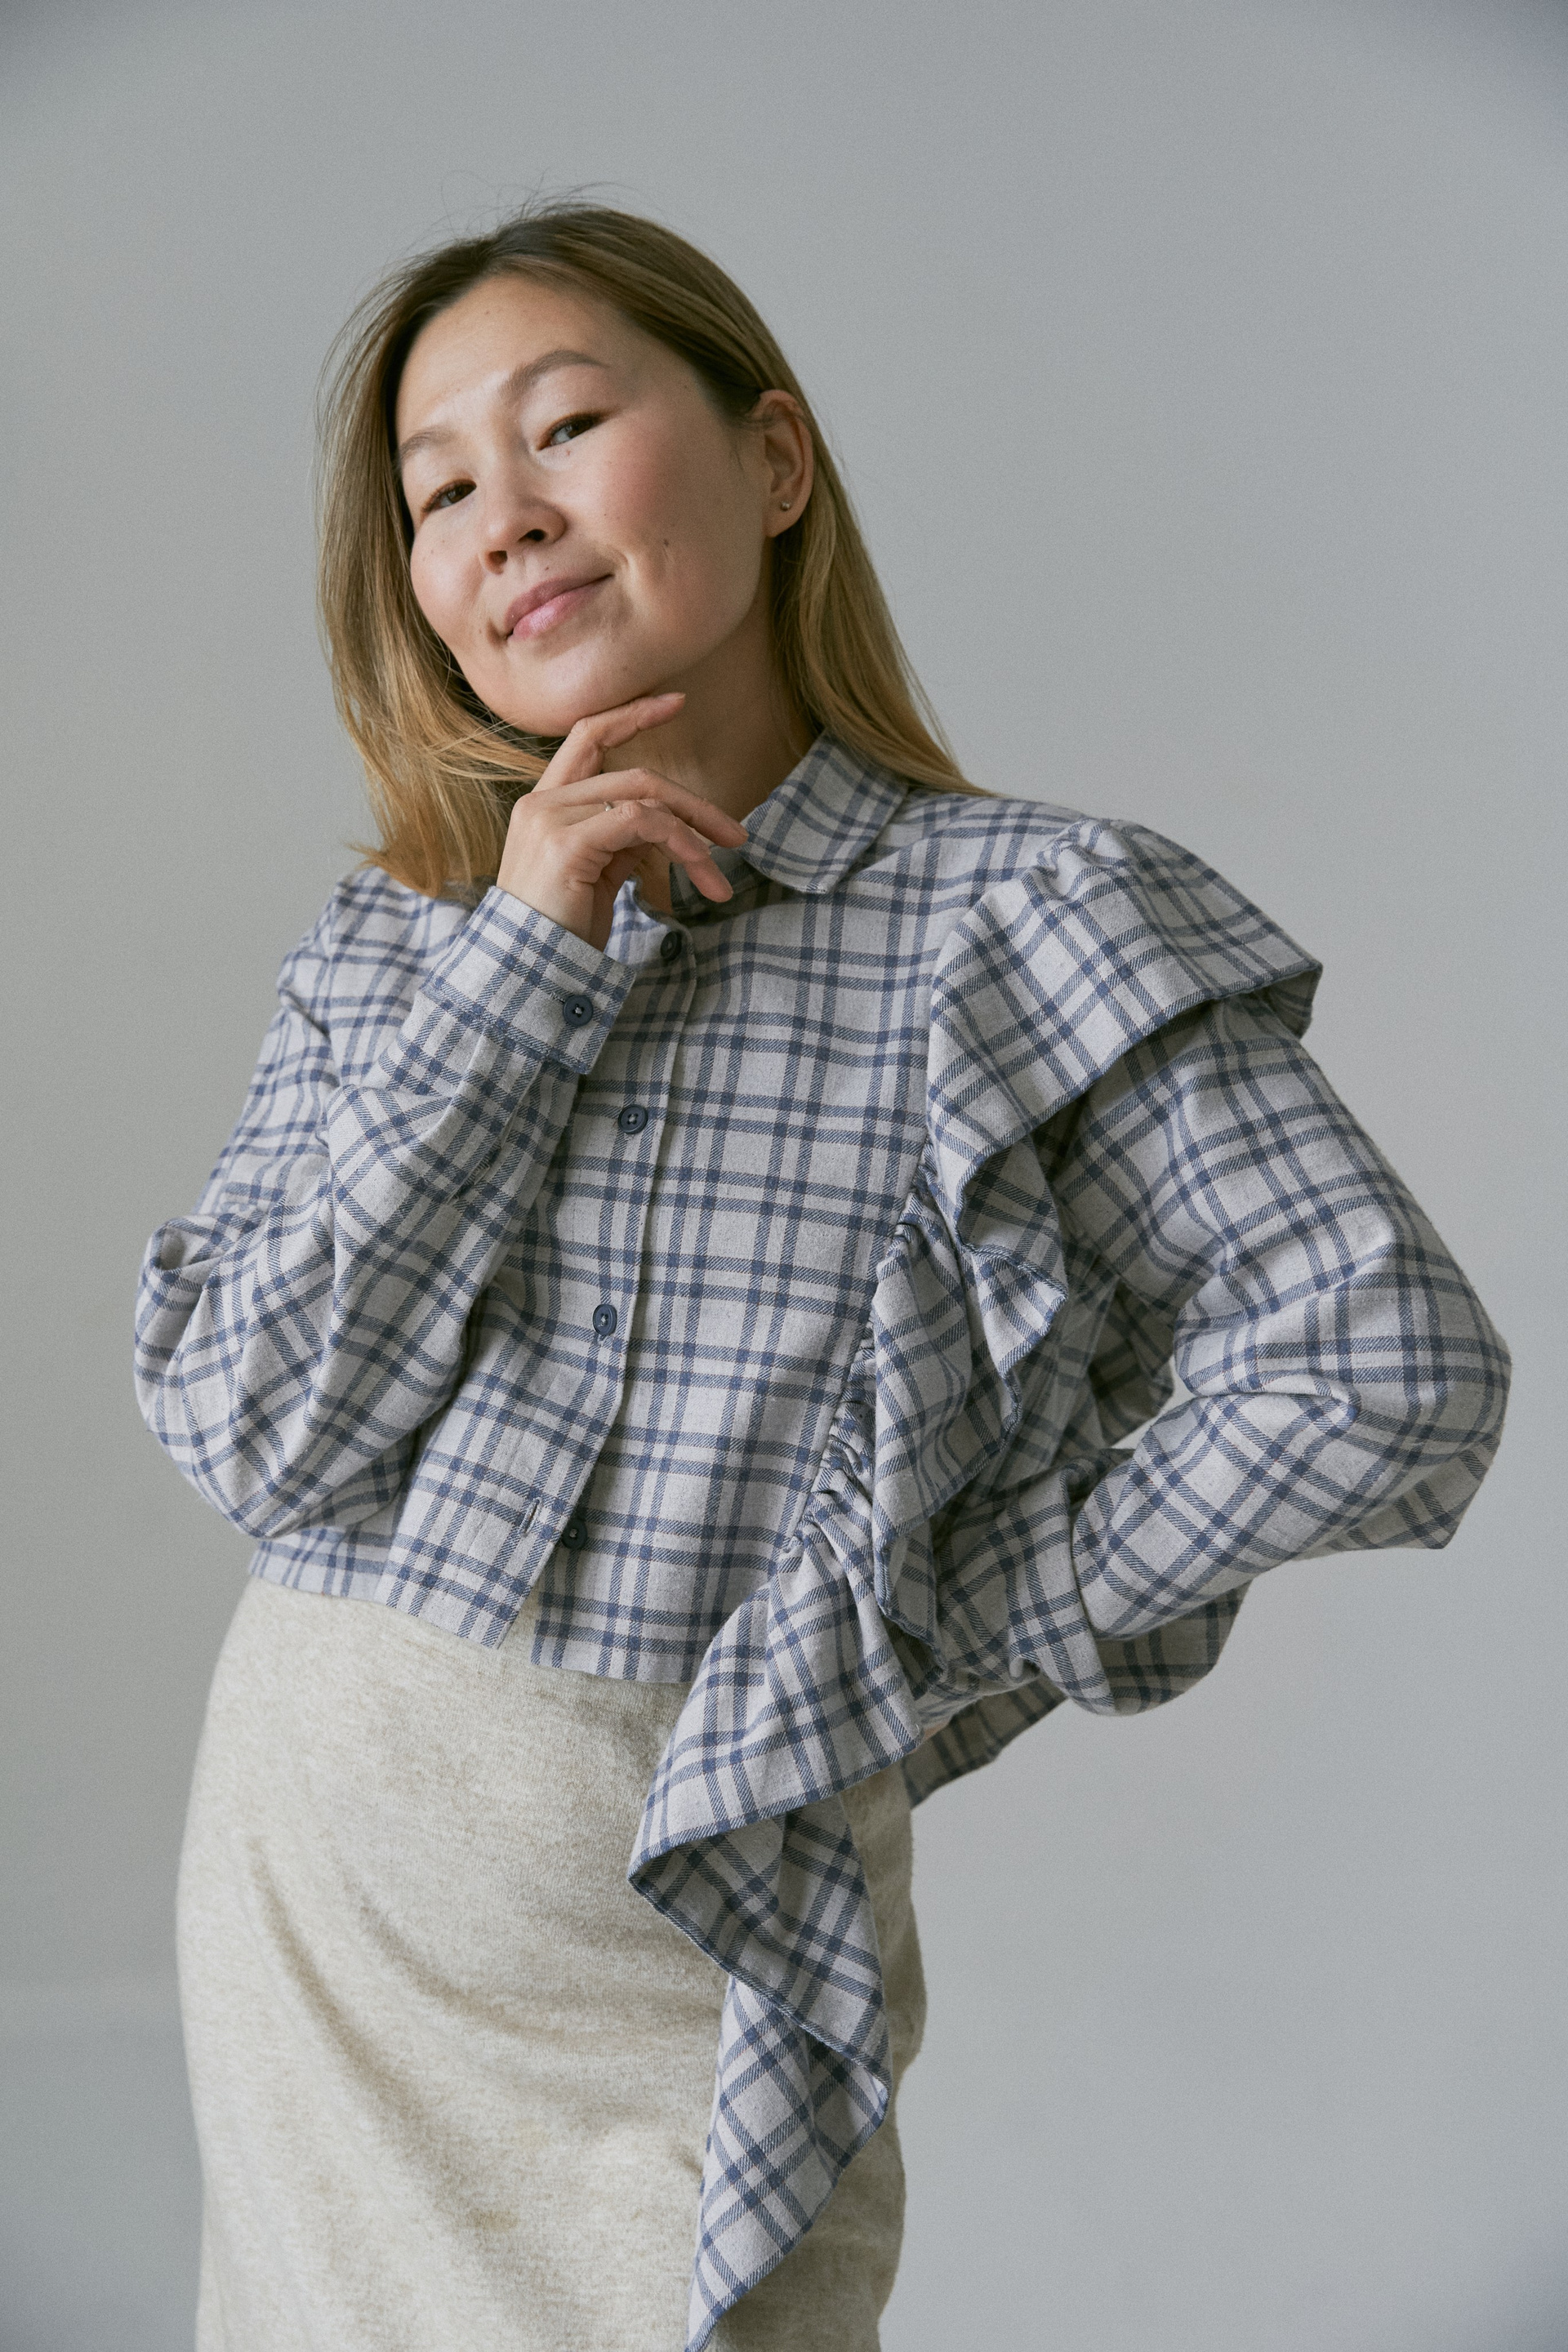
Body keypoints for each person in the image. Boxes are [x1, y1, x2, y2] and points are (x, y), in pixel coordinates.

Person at [134, 203, 1510, 2352]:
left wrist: (929, 1617)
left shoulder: (1019, 919)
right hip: (317, 1974)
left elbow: (1384, 1365)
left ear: (773, 463)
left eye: (564, 426)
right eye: (437, 490)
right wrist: (526, 965)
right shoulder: (400, 950)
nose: (507, 514)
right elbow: (257, 1437)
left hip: (689, 1989)